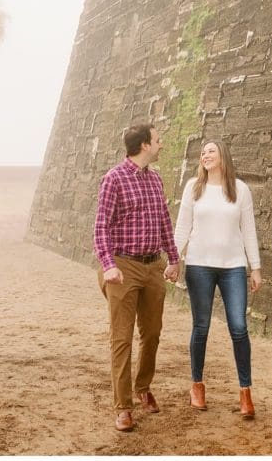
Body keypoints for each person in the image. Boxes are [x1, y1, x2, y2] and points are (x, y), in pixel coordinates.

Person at [93, 123, 181, 432]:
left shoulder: (156, 180)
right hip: (123, 267)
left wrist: (173, 258)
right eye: (157, 140)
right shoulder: (113, 179)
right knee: (122, 338)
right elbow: (101, 227)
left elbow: (164, 222)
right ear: (144, 145)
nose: (161, 144)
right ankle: (123, 406)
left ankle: (143, 387)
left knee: (153, 333)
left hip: (153, 266)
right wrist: (108, 265)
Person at [173, 139, 262, 419]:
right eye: (203, 152)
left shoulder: (240, 189)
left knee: (239, 327)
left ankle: (245, 392)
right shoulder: (193, 187)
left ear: (223, 156)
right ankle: (197, 386)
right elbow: (182, 227)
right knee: (201, 327)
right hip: (199, 265)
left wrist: (255, 267)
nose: (205, 154)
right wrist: (174, 258)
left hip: (233, 266)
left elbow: (248, 230)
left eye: (211, 150)